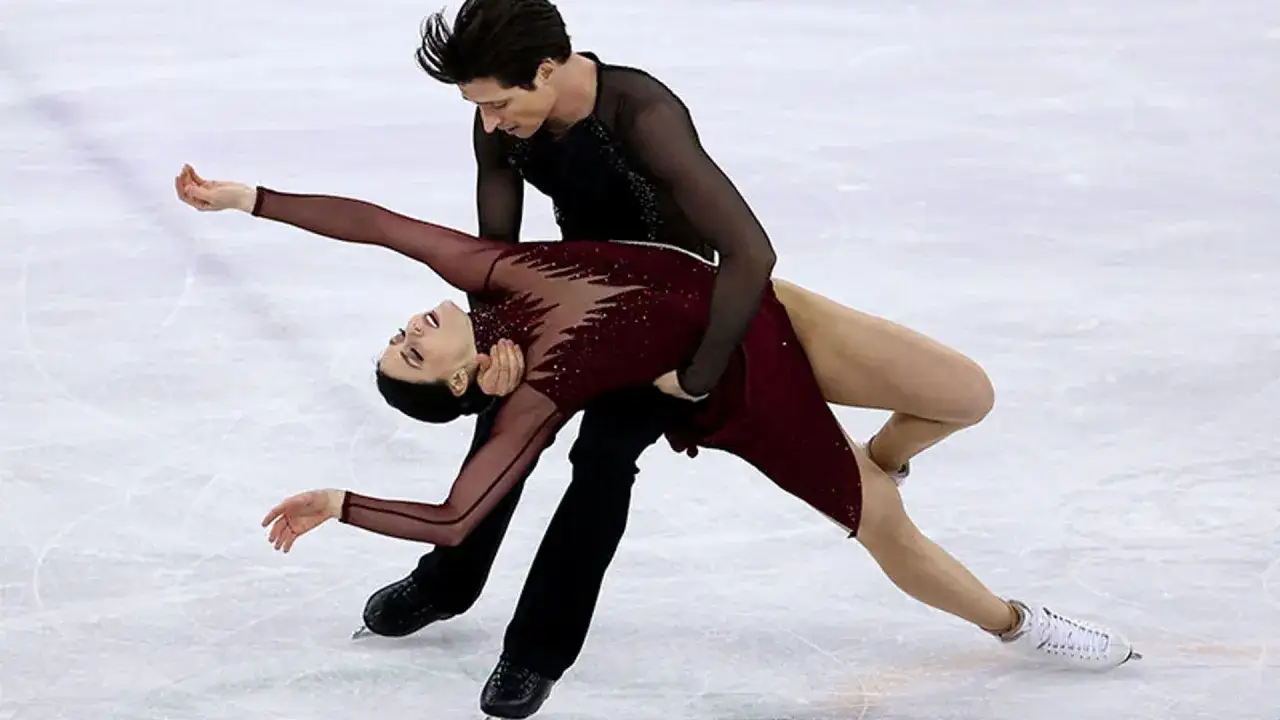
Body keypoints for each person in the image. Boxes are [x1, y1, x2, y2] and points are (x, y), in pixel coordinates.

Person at [173, 165, 1139, 713]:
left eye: (401, 340)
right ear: (463, 382)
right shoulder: (532, 394)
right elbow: (458, 514)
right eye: (413, 357)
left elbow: (376, 223)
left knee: (967, 395)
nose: (408, 332)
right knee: (883, 526)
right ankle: (1021, 625)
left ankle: (884, 453)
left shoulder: (489, 269)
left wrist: (246, 200)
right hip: (740, 393)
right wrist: (340, 504)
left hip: (770, 310)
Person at [364, 1, 997, 715]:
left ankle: (534, 652)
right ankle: (450, 581)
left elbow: (749, 251)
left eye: (498, 105)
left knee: (602, 458)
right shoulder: (503, 111)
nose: (487, 123)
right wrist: (493, 340)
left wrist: (696, 378)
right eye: (476, 107)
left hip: (675, 331)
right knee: (501, 419)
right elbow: (495, 253)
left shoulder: (643, 114)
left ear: (545, 70)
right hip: (576, 300)